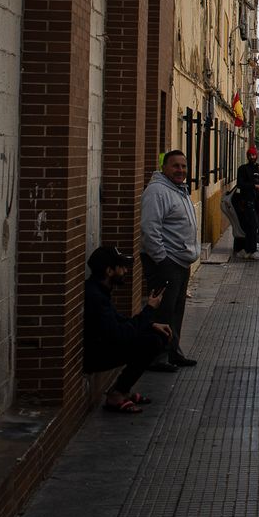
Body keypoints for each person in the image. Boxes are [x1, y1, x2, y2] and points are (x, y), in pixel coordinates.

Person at [83, 246, 172, 413]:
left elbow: (118, 320)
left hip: (104, 346)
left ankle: (123, 390)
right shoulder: (95, 296)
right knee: (152, 341)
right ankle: (116, 394)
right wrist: (149, 310)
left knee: (156, 334)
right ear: (109, 271)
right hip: (95, 355)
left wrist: (151, 324)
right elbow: (120, 334)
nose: (125, 271)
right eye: (121, 267)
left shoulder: (100, 290)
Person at [141, 150, 199, 369]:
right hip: (166, 262)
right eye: (175, 166)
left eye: (184, 166)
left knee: (176, 309)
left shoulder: (178, 190)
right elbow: (149, 228)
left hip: (180, 262)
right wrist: (162, 259)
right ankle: (157, 357)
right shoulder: (157, 191)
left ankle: (173, 352)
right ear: (164, 167)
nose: (181, 171)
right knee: (163, 310)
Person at [234, 146, 259, 260]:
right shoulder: (243, 169)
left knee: (252, 227)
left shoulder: (258, 169)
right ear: (248, 156)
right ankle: (252, 250)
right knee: (252, 226)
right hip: (247, 201)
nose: (253, 157)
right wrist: (254, 186)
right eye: (251, 155)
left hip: (256, 201)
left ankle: (247, 250)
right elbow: (240, 184)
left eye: (254, 155)